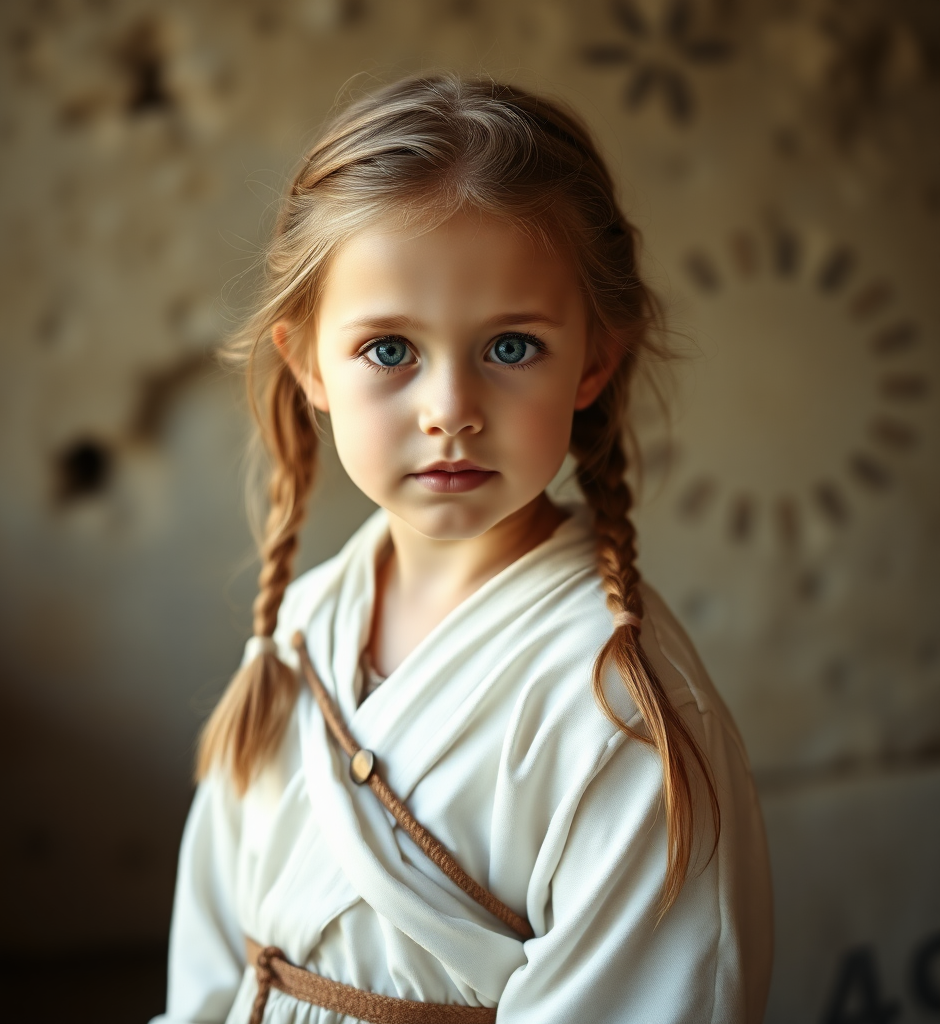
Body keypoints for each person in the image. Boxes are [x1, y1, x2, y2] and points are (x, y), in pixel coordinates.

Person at [152, 73, 773, 1024]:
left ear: (592, 363)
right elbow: (209, 964)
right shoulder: (307, 624)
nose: (450, 413)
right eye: (390, 351)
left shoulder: (620, 711)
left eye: (512, 347)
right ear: (309, 362)